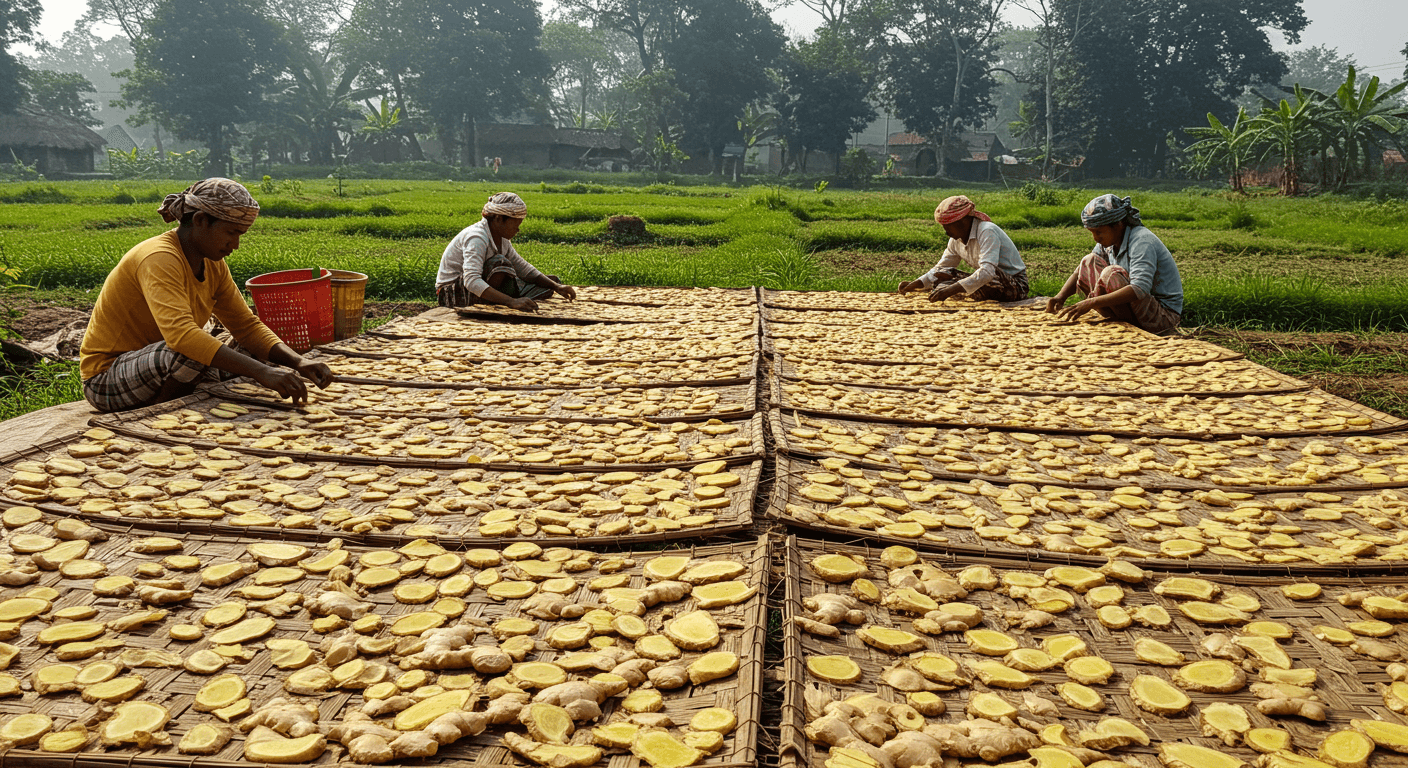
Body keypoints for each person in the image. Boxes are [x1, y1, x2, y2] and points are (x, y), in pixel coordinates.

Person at [79, 178, 334, 413]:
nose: (235, 245)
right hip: (107, 378)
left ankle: (196, 392)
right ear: (200, 220)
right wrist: (262, 373)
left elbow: (245, 326)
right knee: (190, 350)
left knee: (252, 347)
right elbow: (182, 337)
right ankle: (161, 413)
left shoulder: (212, 262)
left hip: (161, 366)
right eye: (231, 233)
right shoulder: (159, 258)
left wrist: (298, 362)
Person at [1045, 194, 1183, 335]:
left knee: (1111, 274)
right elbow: (1083, 269)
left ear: (1118, 225)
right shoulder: (1109, 242)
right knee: (1089, 261)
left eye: (1099, 232)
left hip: (1162, 316)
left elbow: (1139, 288)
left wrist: (1092, 302)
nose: (1095, 238)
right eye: (1092, 233)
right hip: (1136, 310)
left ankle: (1132, 328)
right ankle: (1120, 321)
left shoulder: (1142, 241)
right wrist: (1060, 297)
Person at [435, 192, 576, 312]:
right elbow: (472, 281)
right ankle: (498, 301)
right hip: (452, 293)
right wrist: (511, 301)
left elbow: (523, 268)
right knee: (500, 264)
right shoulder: (477, 237)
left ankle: (502, 299)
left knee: (547, 284)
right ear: (498, 218)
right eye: (515, 224)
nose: (518, 229)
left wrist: (556, 287)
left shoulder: (502, 239)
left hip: (475, 288)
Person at [897, 195, 1029, 303]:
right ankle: (976, 294)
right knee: (940, 276)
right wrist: (916, 284)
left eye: (948, 227)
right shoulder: (955, 240)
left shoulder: (987, 231)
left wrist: (951, 290)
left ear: (962, 222)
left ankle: (975, 293)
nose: (947, 232)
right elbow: (941, 268)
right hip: (992, 282)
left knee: (978, 279)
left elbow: (987, 272)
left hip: (1015, 285)